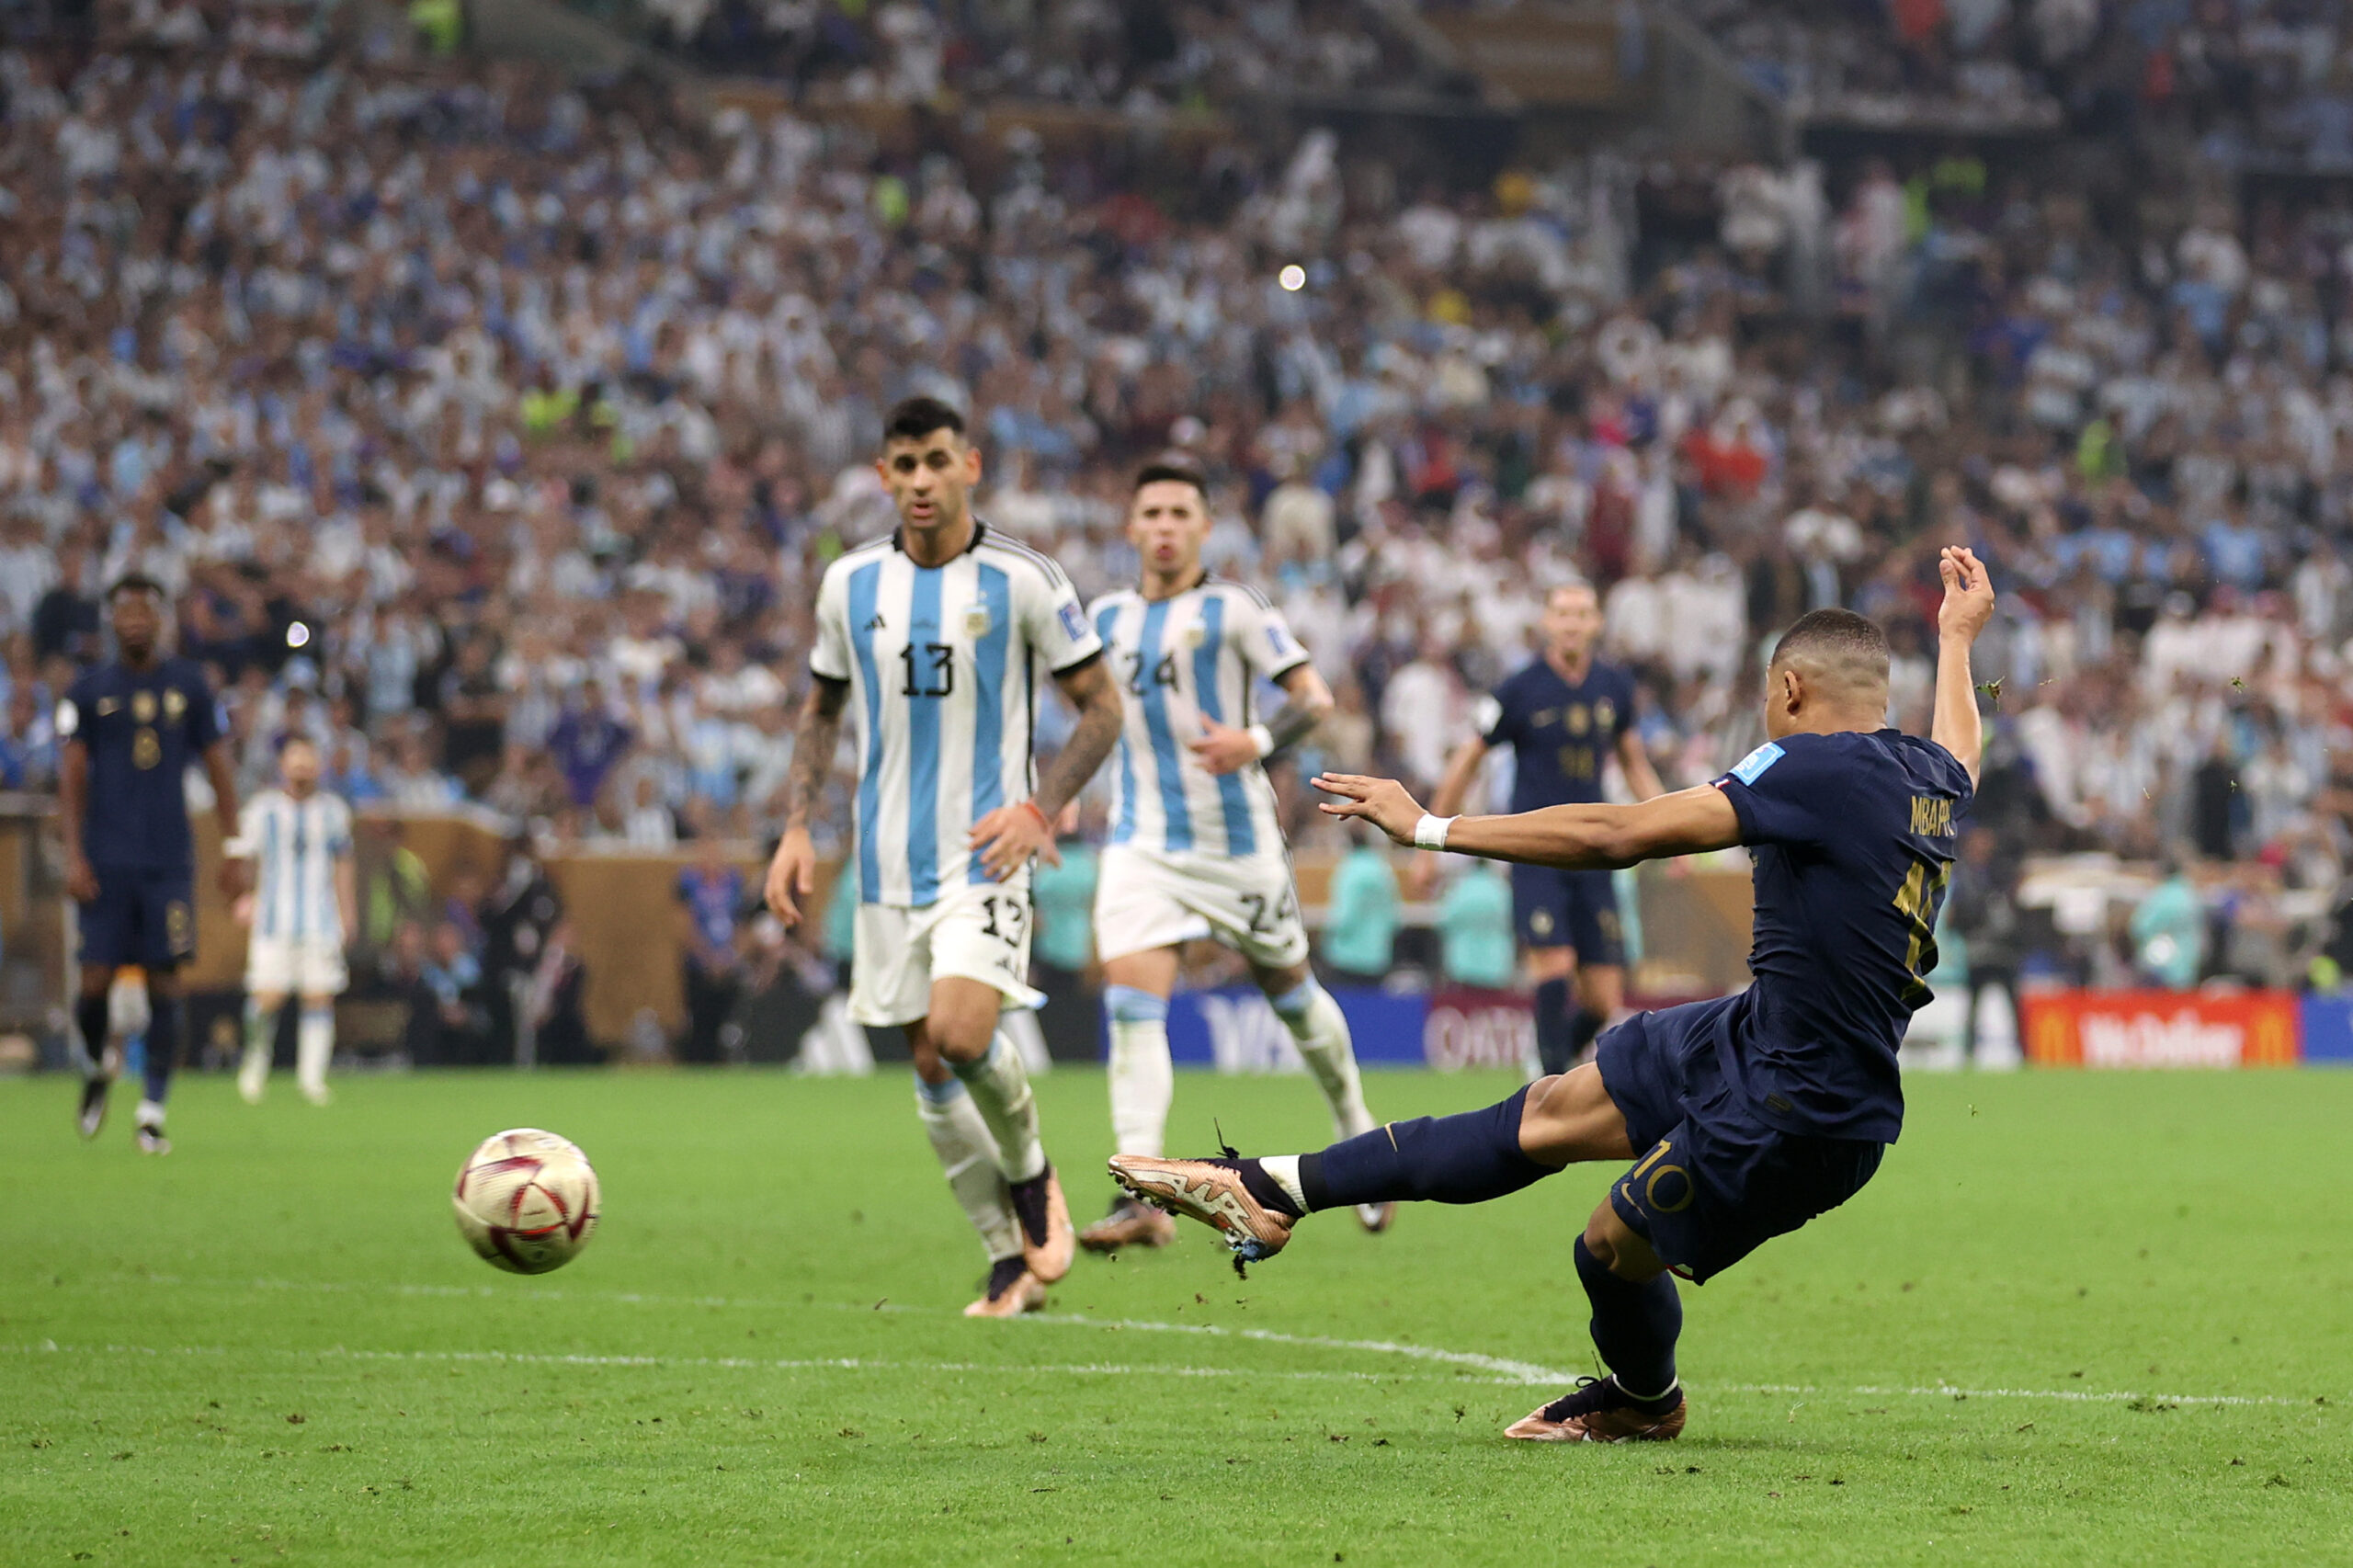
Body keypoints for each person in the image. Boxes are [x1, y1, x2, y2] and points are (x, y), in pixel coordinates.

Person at [1109, 547, 1995, 1446]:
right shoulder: (1929, 775)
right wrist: (1956, 641)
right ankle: (1272, 1186)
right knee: (1546, 1109)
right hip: (1754, 1036)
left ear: (1793, 688)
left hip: (1798, 1105)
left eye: (1769, 698)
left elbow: (1619, 830)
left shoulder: (1811, 767)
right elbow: (1963, 742)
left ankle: (1645, 1398)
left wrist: (1430, 826)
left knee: (1605, 1247)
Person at [764, 396, 1124, 1318]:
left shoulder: (1024, 579)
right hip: (885, 867)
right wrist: (797, 826)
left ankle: (1033, 1170)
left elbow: (1103, 707)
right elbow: (822, 710)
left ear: (969, 465)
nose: (920, 479)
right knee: (927, 1068)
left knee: (963, 1035)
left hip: (984, 854)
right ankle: (1006, 1254)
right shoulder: (848, 583)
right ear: (882, 476)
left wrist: (1039, 808)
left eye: (936, 460)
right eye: (903, 464)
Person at [1077, 460, 1391, 1251]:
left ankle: (1355, 1124)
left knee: (1292, 993)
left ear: (1205, 527)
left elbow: (1313, 699)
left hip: (1237, 846)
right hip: (1142, 842)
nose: (1165, 525)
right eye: (1151, 511)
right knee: (1132, 1005)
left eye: (1181, 511)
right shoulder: (1106, 618)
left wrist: (1253, 740)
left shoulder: (1236, 608)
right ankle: (1139, 1198)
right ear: (1131, 526)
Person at [1427, 582, 1666, 1075]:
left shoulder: (1614, 687)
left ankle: (1550, 1062)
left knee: (1603, 999)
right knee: (1554, 969)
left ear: (1597, 622)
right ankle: (1549, 1083)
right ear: (1547, 623)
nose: (1573, 622)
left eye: (1582, 613)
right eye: (1563, 612)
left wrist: (1669, 825)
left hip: (1597, 850)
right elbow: (1468, 759)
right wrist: (1428, 837)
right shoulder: (1518, 690)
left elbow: (1634, 762)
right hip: (1537, 851)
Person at [60, 574, 246, 1153]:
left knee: (167, 981)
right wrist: (73, 852)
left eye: (146, 610)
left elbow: (218, 767)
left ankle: (151, 1110)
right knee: (95, 981)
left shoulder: (189, 684)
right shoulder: (88, 690)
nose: (136, 620)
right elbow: (70, 778)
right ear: (112, 620)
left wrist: (234, 848)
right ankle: (96, 1065)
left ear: (162, 619)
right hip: (106, 859)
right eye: (126, 611)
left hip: (168, 860)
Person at [231, 735, 358, 1105]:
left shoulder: (334, 811)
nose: (302, 763)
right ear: (282, 764)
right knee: (266, 997)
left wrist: (347, 910)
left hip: (320, 918)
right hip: (273, 919)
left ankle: (312, 1079)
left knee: (319, 996)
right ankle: (254, 1066)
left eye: (308, 756)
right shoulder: (262, 810)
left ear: (318, 763)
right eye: (295, 756)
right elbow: (243, 857)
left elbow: (344, 863)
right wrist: (243, 896)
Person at [676, 837, 746, 1063]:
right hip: (699, 965)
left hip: (728, 963)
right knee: (700, 1022)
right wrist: (708, 958)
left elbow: (741, 923)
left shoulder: (734, 882)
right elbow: (683, 923)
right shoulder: (689, 883)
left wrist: (730, 956)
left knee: (729, 1020)